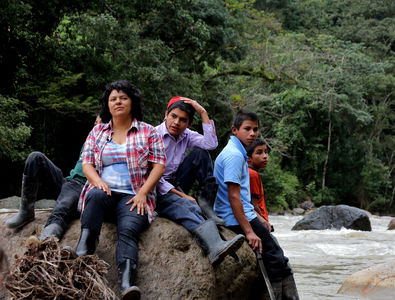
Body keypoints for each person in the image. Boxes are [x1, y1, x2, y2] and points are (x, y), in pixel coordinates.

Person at [75, 80, 166, 300]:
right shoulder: (97, 131)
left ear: (132, 102)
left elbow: (159, 165)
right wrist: (97, 181)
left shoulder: (148, 131)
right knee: (94, 195)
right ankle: (82, 255)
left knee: (128, 230)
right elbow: (86, 164)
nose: (118, 102)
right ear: (107, 104)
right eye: (113, 99)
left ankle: (126, 285)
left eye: (123, 98)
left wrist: (143, 192)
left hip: (133, 196)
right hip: (104, 193)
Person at [214, 110, 299, 299]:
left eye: (255, 129)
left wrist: (259, 218)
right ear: (235, 130)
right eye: (247, 129)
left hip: (243, 213)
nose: (252, 133)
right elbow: (234, 197)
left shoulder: (237, 152)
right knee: (276, 260)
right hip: (234, 216)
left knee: (278, 256)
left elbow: (242, 198)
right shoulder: (234, 155)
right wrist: (250, 231)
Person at [155, 96, 243, 265]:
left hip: (175, 180)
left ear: (188, 124)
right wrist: (181, 195)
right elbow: (152, 175)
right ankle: (214, 245)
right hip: (156, 186)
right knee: (189, 206)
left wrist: (202, 112)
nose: (176, 122)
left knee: (201, 154)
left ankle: (206, 203)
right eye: (173, 116)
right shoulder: (153, 135)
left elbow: (210, 144)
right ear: (166, 115)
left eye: (183, 120)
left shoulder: (186, 135)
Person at [5, 116, 102, 241]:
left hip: (82, 188)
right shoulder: (90, 140)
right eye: (95, 122)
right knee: (36, 157)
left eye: (101, 122)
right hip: (68, 182)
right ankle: (26, 211)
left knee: (62, 207)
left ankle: (46, 242)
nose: (97, 125)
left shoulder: (112, 145)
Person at [247, 138, 270, 223]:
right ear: (248, 158)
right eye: (259, 153)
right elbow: (254, 205)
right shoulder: (252, 174)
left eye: (266, 152)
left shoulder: (248, 172)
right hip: (259, 220)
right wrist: (264, 222)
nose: (265, 156)